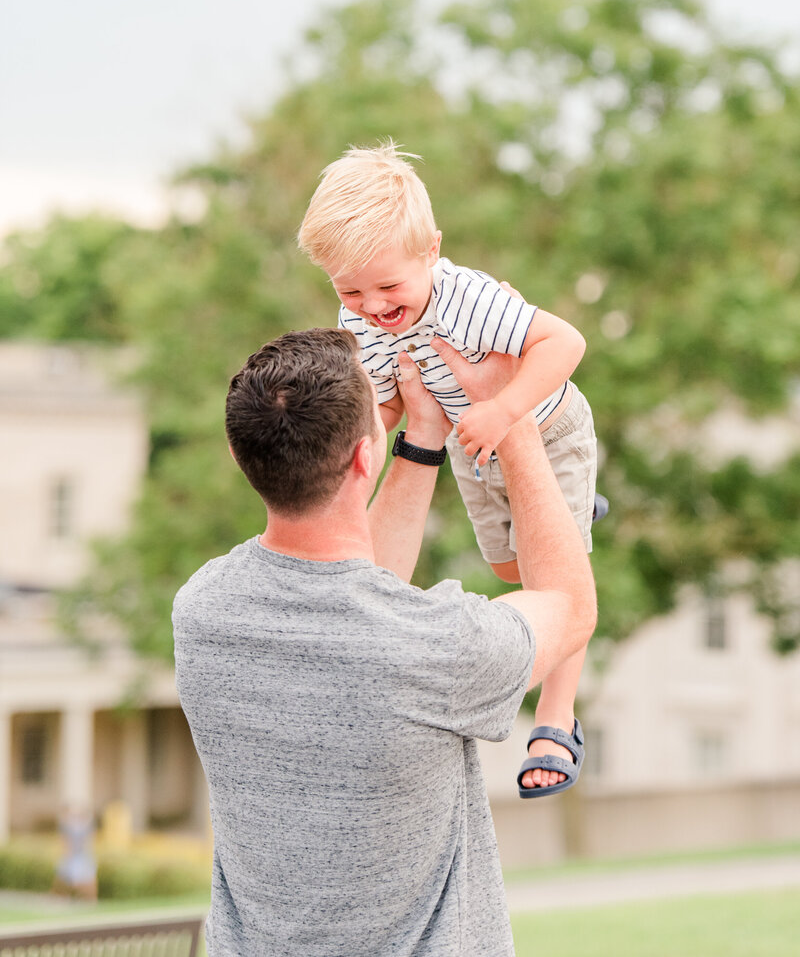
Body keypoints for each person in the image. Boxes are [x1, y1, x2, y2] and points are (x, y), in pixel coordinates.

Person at [173, 327, 596, 956]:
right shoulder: (434, 647)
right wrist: (515, 419)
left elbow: (359, 590)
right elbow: (570, 606)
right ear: (365, 458)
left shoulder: (203, 610)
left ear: (240, 456)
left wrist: (421, 438)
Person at [298, 141, 604, 796]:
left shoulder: (467, 299)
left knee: (558, 575)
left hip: (545, 431)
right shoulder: (365, 322)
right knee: (505, 567)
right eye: (348, 289)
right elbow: (381, 403)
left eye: (387, 285)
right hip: (474, 444)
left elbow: (565, 342)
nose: (373, 304)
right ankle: (576, 517)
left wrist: (505, 405)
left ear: (430, 250)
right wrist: (350, 462)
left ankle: (556, 716)